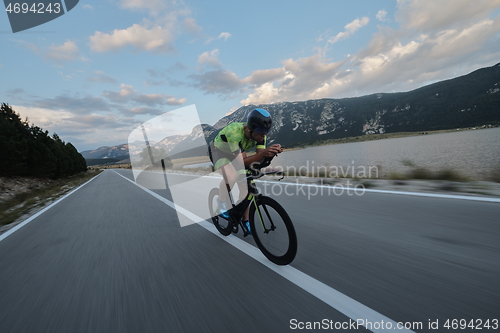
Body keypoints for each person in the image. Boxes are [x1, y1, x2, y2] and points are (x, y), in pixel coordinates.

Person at [209, 108, 284, 234]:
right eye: (260, 130)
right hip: (219, 152)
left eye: (266, 131)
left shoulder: (261, 136)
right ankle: (220, 204)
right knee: (231, 177)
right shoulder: (235, 133)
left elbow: (259, 159)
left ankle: (245, 220)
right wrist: (264, 153)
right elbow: (242, 163)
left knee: (246, 188)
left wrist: (270, 154)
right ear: (250, 128)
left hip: (236, 155)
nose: (263, 134)